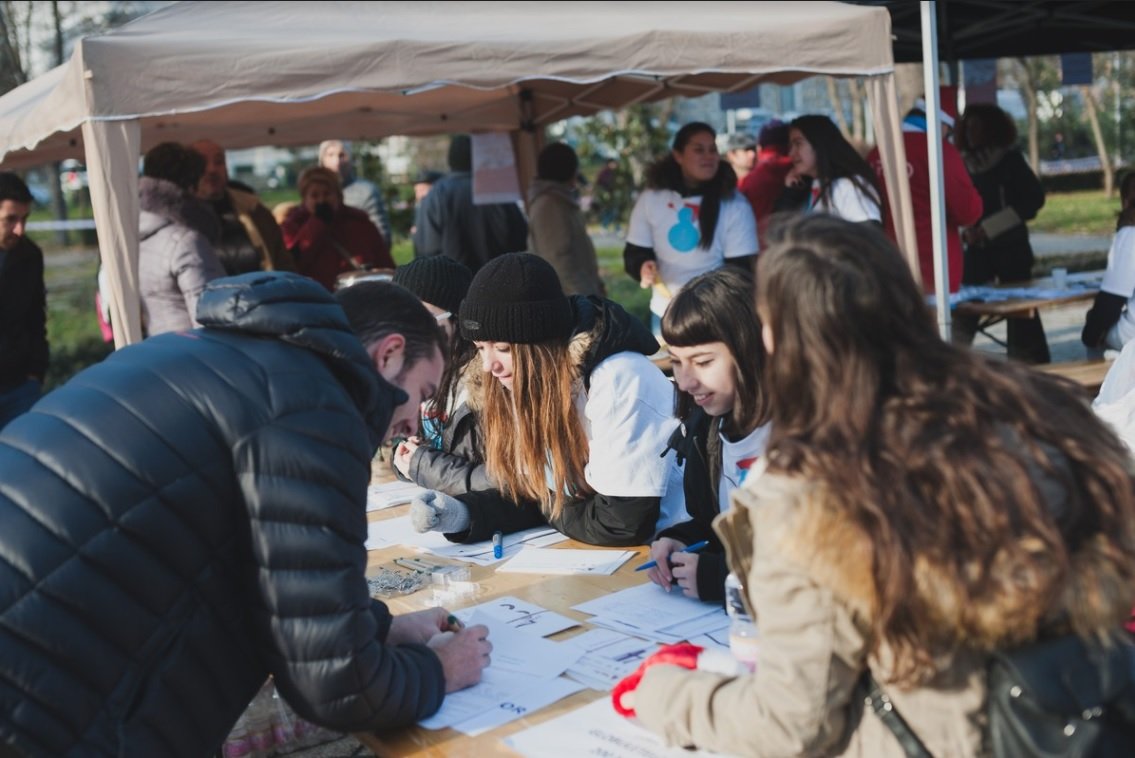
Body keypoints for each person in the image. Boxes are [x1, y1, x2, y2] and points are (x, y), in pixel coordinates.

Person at [615, 214, 1135, 755]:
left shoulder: (813, 488)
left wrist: (660, 694)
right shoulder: (1022, 404)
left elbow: (791, 726)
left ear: (776, 339)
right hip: (1086, 708)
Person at [0, 272, 492, 756]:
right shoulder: (316, 409)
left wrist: (378, 627)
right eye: (423, 395)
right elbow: (335, 681)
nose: (415, 421)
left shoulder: (231, 355)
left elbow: (276, 576)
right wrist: (441, 672)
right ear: (388, 355)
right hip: (45, 684)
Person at [409, 253, 687, 547]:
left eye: (502, 348)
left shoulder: (618, 379)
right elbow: (533, 488)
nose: (490, 365)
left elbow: (621, 522)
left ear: (538, 345)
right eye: (480, 348)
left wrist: (549, 501)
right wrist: (464, 514)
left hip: (674, 545)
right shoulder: (520, 382)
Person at [645, 267, 771, 604]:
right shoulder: (708, 429)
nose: (685, 382)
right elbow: (718, 526)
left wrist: (722, 580)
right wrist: (679, 538)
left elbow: (817, 569)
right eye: (676, 363)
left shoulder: (805, 436)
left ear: (749, 349)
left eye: (702, 362)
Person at [623, 122, 759, 336]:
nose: (708, 156)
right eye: (699, 150)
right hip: (665, 313)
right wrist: (642, 265)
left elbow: (741, 270)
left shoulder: (735, 204)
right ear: (678, 155)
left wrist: (708, 304)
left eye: (712, 149)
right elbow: (634, 252)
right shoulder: (651, 198)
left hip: (718, 315)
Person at [391, 255, 493, 495]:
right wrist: (403, 456)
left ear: (458, 320)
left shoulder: (491, 381)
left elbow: (509, 480)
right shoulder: (416, 375)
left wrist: (423, 466)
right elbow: (412, 445)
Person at [955, 103, 1049, 363]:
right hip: (976, 251)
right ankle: (951, 362)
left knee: (1022, 313)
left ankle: (1031, 367)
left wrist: (989, 228)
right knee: (965, 308)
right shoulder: (961, 163)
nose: (971, 133)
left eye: (976, 127)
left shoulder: (1010, 160)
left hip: (1011, 249)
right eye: (968, 127)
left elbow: (1033, 199)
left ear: (991, 129)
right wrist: (967, 232)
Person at [867, 94, 983, 294]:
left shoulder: (877, 152)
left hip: (887, 261)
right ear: (941, 124)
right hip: (934, 265)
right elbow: (967, 211)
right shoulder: (940, 151)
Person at [138, 141, 226, 336]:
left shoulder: (133, 234)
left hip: (157, 350)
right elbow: (210, 317)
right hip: (194, 356)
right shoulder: (187, 241)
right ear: (191, 185)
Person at [412, 134, 529, 273]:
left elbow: (427, 248)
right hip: (500, 280)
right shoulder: (497, 190)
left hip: (454, 284)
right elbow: (521, 238)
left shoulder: (436, 194)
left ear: (451, 160)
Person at [281, 166, 394, 291]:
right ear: (304, 199)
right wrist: (317, 224)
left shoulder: (359, 223)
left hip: (356, 295)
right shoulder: (293, 226)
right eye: (314, 195)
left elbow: (383, 262)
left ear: (338, 195)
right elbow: (292, 264)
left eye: (327, 194)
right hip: (315, 298)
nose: (321, 200)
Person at [191, 139, 293, 275]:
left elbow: (283, 265)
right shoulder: (176, 217)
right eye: (202, 163)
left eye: (219, 162)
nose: (212, 169)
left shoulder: (255, 211)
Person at [0, 173, 48, 430]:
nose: (20, 229)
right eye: (10, 220)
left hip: (19, 385)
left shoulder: (29, 255)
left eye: (24, 219)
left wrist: (35, 373)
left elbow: (36, 316)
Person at [527, 142, 605, 297]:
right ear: (567, 169)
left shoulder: (559, 200)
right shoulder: (549, 205)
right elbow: (559, 260)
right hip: (571, 302)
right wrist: (587, 298)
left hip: (576, 298)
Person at [787, 114, 882, 224]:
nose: (791, 153)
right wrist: (790, 193)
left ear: (820, 144)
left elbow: (868, 235)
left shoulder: (847, 187)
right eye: (790, 146)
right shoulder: (808, 186)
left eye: (798, 144)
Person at [1083, 171, 1135, 351]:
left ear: (1126, 202)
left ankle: (1093, 377)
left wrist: (1089, 336)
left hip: (1132, 338)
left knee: (1095, 329)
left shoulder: (1130, 235)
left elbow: (1110, 302)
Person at [738, 119, 799, 248]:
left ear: (760, 147)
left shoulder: (747, 182)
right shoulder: (803, 173)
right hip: (795, 248)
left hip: (758, 250)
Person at [319, 139, 393, 244]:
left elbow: (382, 238)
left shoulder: (367, 192)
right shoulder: (315, 194)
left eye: (342, 155)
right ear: (322, 160)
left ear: (350, 159)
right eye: (330, 155)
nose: (337, 162)